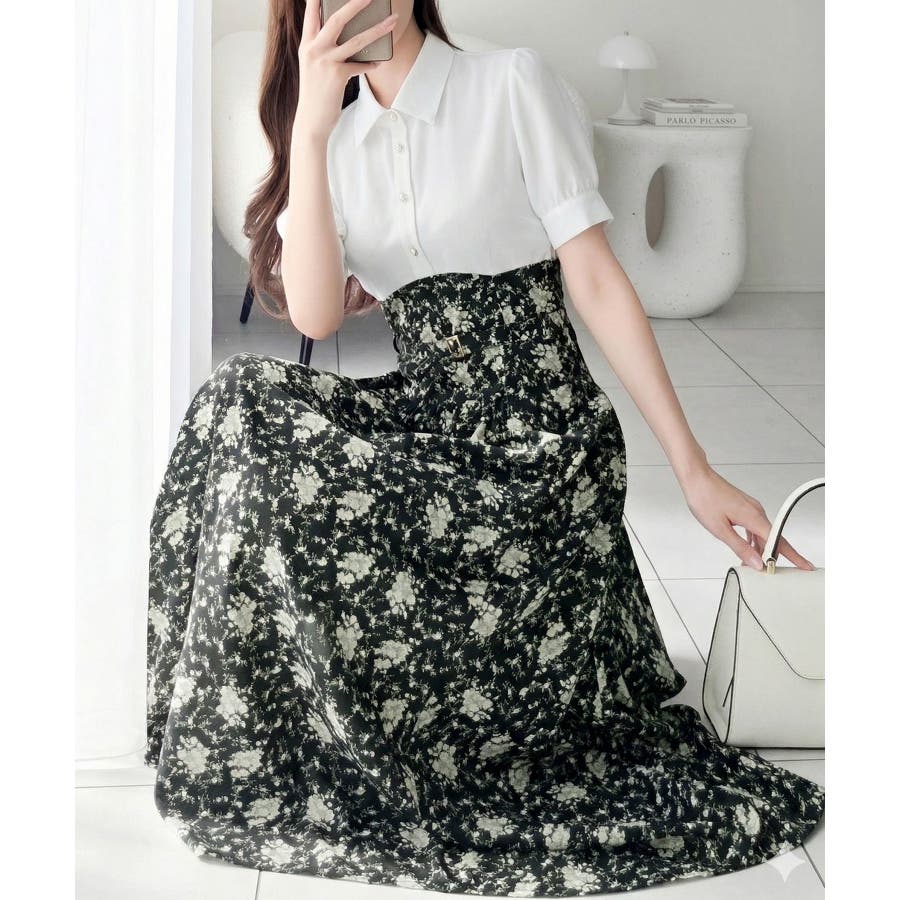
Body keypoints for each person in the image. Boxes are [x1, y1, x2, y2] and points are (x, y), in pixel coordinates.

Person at [144, 0, 825, 895]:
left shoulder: (510, 84)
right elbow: (313, 314)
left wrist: (693, 471)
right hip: (433, 428)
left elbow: (595, 278)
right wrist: (310, 128)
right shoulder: (337, 144)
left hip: (539, 446)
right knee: (237, 401)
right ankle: (233, 720)